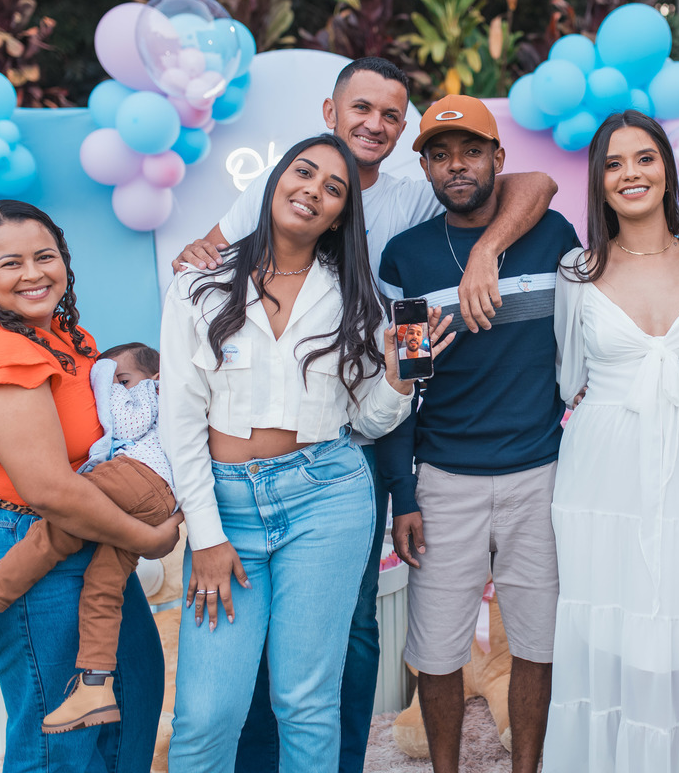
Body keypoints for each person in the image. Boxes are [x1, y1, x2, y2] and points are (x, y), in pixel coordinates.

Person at [174, 57, 556, 773]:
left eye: (391, 114)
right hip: (252, 484)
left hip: (341, 464)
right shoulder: (225, 267)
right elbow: (185, 395)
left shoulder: (395, 232)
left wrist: (481, 260)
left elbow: (534, 184)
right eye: (362, 109)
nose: (374, 124)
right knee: (217, 700)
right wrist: (205, 529)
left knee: (337, 648)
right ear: (329, 112)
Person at [160, 134, 451, 771]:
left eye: (333, 189)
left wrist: (399, 379)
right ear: (273, 182)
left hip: (327, 498)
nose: (312, 191)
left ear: (341, 215)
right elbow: (179, 421)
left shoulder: (356, 298)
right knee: (206, 713)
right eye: (303, 172)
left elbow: (367, 420)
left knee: (307, 702)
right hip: (226, 510)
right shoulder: (198, 285)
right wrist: (205, 537)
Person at [0, 200, 180, 772]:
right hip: (27, 539)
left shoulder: (63, 335)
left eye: (45, 257)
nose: (33, 274)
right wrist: (146, 539)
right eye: (11, 263)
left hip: (89, 530)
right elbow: (48, 489)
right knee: (58, 747)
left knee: (131, 701)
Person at [376, 94, 579, 773]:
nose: (456, 166)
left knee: (537, 645)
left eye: (470, 151)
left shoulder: (552, 236)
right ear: (426, 169)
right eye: (440, 155)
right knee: (435, 653)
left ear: (499, 157)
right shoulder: (407, 258)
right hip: (444, 481)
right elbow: (403, 385)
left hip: (539, 473)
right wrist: (404, 495)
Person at [546, 110, 679, 772]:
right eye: (613, 163)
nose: (630, 174)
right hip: (602, 467)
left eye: (644, 158)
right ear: (598, 182)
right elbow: (568, 378)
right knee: (609, 613)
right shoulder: (576, 269)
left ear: (667, 169)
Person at [0, 340, 175, 735]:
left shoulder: (158, 390)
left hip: (137, 476)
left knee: (55, 531)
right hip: (157, 497)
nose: (117, 387)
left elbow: (129, 423)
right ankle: (94, 685)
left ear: (156, 377)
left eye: (124, 379)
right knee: (103, 587)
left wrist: (104, 380)